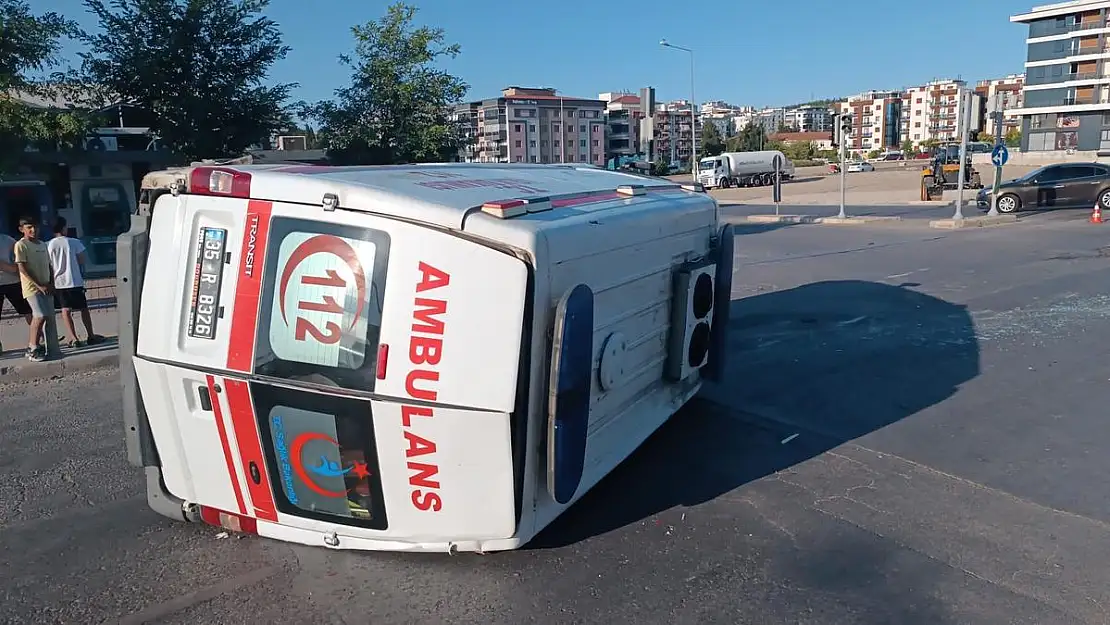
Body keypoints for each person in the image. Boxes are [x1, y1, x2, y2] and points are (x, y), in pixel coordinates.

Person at [48, 217, 103, 347]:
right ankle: (90, 335)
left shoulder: (49, 244)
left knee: (65, 310)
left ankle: (73, 338)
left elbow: (48, 264)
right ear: (63, 228)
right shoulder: (74, 242)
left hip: (58, 282)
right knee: (83, 309)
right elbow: (81, 260)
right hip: (74, 280)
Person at [13, 217, 54, 362]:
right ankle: (32, 347)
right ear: (22, 229)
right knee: (39, 315)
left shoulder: (42, 244)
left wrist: (51, 283)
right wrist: (39, 285)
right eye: (29, 227)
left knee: (46, 316)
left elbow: (49, 265)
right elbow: (22, 268)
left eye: (35, 227)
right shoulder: (21, 245)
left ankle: (39, 345)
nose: (33, 230)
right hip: (32, 288)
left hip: (45, 286)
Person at [0, 229, 32, 354]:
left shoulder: (8, 240)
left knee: (28, 311)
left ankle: (39, 338)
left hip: (13, 282)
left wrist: (13, 268)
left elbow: (19, 258)